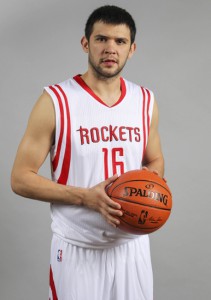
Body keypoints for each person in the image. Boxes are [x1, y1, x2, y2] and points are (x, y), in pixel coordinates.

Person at [11, 5, 164, 300]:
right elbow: (20, 178)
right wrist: (86, 197)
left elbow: (154, 158)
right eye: (101, 39)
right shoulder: (56, 100)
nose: (110, 49)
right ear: (86, 44)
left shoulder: (145, 100)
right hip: (78, 247)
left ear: (132, 49)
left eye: (120, 42)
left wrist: (150, 183)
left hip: (132, 248)